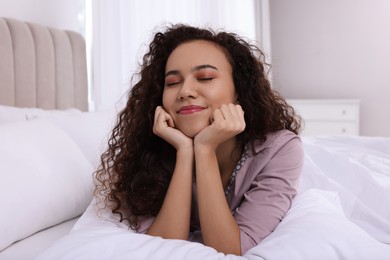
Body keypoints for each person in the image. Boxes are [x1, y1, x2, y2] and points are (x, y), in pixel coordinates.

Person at [95, 24, 303, 255]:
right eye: (172, 82)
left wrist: (204, 149)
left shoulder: (280, 149)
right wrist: (185, 151)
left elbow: (231, 250)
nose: (185, 91)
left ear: (238, 90)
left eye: (205, 77)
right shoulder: (147, 153)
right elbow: (161, 249)